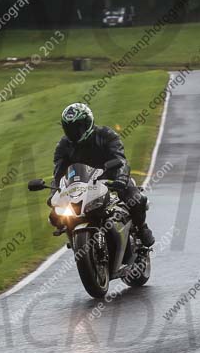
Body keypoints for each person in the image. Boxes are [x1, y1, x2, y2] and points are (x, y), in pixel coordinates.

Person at [50, 103, 155, 246]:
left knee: (136, 200)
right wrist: (54, 194)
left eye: (77, 127)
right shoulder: (63, 145)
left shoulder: (106, 135)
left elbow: (120, 160)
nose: (74, 132)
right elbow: (58, 173)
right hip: (81, 186)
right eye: (69, 129)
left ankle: (142, 228)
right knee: (56, 216)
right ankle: (77, 242)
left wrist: (121, 178)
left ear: (88, 123)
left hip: (111, 179)